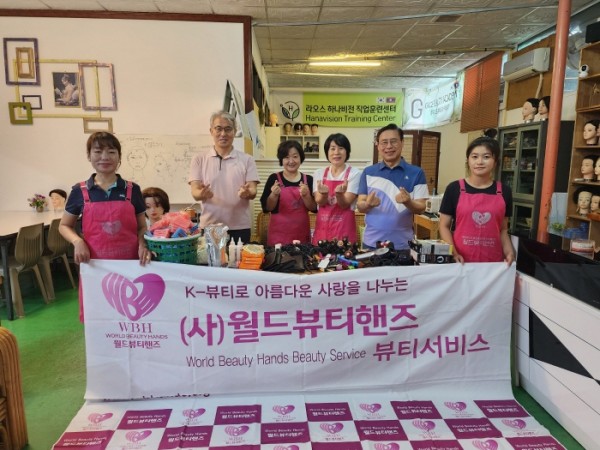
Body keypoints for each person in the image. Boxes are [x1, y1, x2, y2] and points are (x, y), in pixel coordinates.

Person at [59, 132, 151, 320]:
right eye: (98, 151)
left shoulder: (132, 190)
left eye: (111, 152)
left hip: (130, 264)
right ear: (89, 155)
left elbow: (142, 226)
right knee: (98, 316)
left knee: (130, 315)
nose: (105, 157)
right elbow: (64, 225)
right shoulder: (80, 191)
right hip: (94, 265)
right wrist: (77, 242)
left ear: (119, 156)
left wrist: (143, 244)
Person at [439, 136, 515, 264]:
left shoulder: (505, 191)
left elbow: (503, 230)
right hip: (461, 261)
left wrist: (509, 252)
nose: (479, 162)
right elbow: (443, 226)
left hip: (493, 263)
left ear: (495, 162)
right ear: (468, 160)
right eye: (474, 157)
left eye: (486, 157)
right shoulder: (454, 188)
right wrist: (453, 253)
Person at [189, 111, 259, 244]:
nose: (223, 134)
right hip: (210, 226)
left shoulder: (247, 160)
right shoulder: (199, 159)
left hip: (240, 227)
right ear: (211, 131)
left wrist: (247, 192)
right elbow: (195, 192)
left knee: (239, 258)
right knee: (211, 258)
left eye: (228, 129)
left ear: (234, 131)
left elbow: (253, 190)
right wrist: (202, 193)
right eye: (218, 129)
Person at [357, 123, 428, 250]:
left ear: (402, 143)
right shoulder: (368, 172)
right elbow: (360, 205)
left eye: (393, 141)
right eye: (384, 142)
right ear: (378, 145)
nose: (389, 146)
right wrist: (368, 204)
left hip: (403, 245)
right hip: (371, 243)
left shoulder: (417, 173)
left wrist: (408, 202)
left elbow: (421, 208)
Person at [260, 140, 317, 245]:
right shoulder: (274, 178)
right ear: (281, 159)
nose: (291, 161)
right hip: (278, 237)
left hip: (301, 236)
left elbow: (314, 208)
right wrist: (273, 195)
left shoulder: (308, 180)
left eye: (295, 156)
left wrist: (306, 196)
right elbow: (267, 208)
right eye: (286, 157)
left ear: (301, 158)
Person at [312, 133, 361, 244]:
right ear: (327, 152)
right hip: (323, 231)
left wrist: (339, 195)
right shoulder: (319, 173)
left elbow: (345, 204)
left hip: (344, 231)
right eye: (332, 148)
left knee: (344, 255)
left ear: (347, 151)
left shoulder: (355, 173)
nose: (336, 152)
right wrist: (324, 194)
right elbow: (320, 201)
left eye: (341, 148)